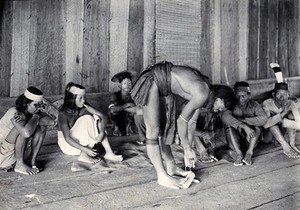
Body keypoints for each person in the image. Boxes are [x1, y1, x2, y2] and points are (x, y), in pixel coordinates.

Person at [131, 61, 211, 189]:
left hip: (163, 85)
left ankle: (171, 167)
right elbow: (181, 121)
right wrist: (187, 149)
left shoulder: (202, 90)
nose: (218, 111)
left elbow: (191, 123)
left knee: (163, 129)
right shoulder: (202, 93)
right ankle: (162, 176)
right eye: (220, 108)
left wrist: (188, 149)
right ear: (219, 99)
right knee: (153, 131)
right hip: (153, 80)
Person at [57, 82, 123, 166]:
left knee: (97, 119)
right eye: (80, 98)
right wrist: (85, 149)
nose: (83, 100)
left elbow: (103, 116)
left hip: (81, 144)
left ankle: (109, 153)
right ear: (72, 99)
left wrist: (102, 132)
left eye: (84, 97)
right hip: (69, 146)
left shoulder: (84, 105)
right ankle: (83, 155)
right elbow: (67, 138)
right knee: (87, 118)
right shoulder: (63, 113)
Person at [0, 87, 55, 175]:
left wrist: (48, 106)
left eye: (40, 105)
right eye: (35, 105)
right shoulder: (15, 112)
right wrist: (36, 116)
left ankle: (33, 161)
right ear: (26, 104)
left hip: (15, 153)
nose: (38, 108)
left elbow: (53, 122)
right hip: (2, 156)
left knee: (41, 126)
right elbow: (26, 133)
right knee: (23, 128)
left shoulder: (31, 113)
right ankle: (19, 165)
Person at [222, 82, 268, 166]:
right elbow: (225, 116)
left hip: (250, 141)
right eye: (238, 96)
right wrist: (243, 126)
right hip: (235, 143)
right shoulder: (231, 104)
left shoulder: (254, 105)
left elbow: (263, 119)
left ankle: (249, 152)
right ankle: (239, 154)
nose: (240, 99)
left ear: (249, 96)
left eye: (243, 96)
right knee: (228, 125)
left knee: (258, 126)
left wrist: (244, 120)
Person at [262, 82, 300, 158]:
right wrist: (283, 113)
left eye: (285, 94)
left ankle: (292, 145)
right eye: (279, 94)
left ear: (288, 95)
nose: (282, 97)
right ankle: (286, 147)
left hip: (280, 135)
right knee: (272, 122)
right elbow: (266, 125)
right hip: (267, 137)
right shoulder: (267, 103)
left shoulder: (290, 103)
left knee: (291, 115)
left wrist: (282, 121)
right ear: (273, 95)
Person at [108, 71, 146, 144]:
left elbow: (138, 110)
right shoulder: (115, 95)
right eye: (125, 83)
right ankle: (116, 128)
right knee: (112, 112)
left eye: (129, 83)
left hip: (130, 121)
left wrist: (121, 108)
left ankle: (137, 135)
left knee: (138, 115)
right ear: (120, 85)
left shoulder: (135, 95)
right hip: (119, 120)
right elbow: (112, 109)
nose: (127, 85)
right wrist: (127, 104)